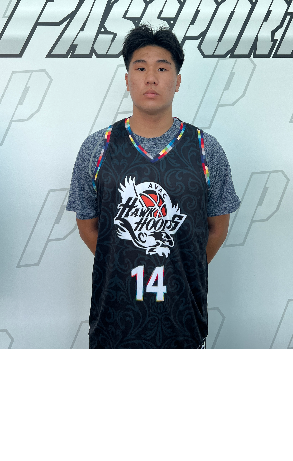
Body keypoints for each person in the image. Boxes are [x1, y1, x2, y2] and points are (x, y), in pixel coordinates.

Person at [66, 24, 241, 349]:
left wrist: (181, 264)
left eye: (162, 68)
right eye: (140, 68)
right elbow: (88, 226)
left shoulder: (206, 149)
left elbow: (217, 227)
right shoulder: (98, 147)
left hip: (183, 324)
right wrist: (126, 257)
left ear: (177, 81)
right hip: (114, 324)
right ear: (127, 79)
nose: (151, 78)